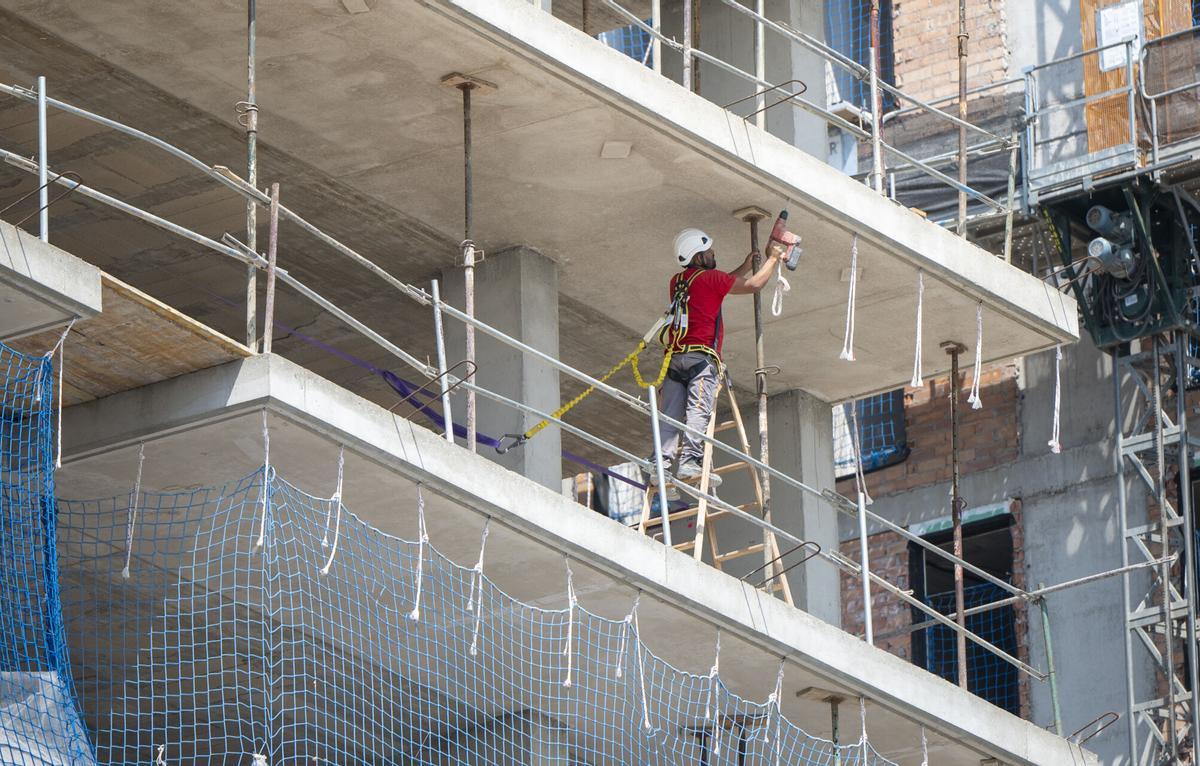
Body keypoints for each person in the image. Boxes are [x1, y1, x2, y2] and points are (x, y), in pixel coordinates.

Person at [652, 227, 783, 488]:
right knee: (697, 411)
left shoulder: (678, 281)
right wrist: (773, 258)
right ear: (698, 257)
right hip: (700, 361)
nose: (714, 253)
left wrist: (744, 266)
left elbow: (719, 285)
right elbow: (755, 285)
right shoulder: (711, 280)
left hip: (675, 359)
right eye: (709, 251)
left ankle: (660, 466)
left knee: (669, 415)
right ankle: (690, 462)